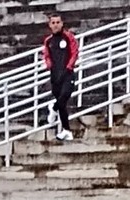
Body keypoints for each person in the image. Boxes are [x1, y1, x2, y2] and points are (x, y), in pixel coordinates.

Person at [42, 13, 78, 142]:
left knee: (64, 96)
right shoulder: (48, 41)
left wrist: (69, 66)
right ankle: (66, 130)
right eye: (53, 23)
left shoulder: (68, 37)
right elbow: (46, 55)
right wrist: (48, 65)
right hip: (55, 75)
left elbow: (74, 52)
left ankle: (53, 108)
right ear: (50, 25)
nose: (56, 25)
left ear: (62, 23)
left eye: (58, 22)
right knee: (62, 104)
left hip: (67, 73)